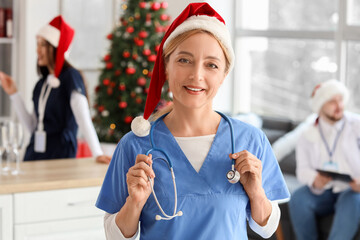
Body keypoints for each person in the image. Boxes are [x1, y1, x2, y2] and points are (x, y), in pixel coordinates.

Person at [95, 3, 290, 239]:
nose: (196, 75)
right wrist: (134, 202)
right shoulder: (135, 145)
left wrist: (256, 192)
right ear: (166, 66)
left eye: (211, 65)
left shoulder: (250, 140)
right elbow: (113, 236)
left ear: (224, 74)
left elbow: (266, 228)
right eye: (184, 60)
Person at [0, 16, 111, 164]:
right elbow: (32, 126)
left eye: (43, 45)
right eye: (37, 44)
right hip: (34, 155)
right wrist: (14, 93)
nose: (37, 50)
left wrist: (97, 153)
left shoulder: (71, 76)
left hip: (60, 155)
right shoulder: (41, 84)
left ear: (55, 47)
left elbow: (82, 116)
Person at [289, 79, 360, 240]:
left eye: (340, 100)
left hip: (353, 189)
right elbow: (302, 170)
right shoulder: (306, 134)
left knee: (351, 201)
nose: (339, 105)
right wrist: (314, 180)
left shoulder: (357, 125)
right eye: (332, 101)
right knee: (298, 199)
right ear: (320, 106)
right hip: (324, 189)